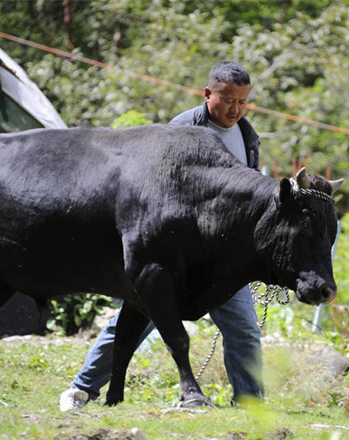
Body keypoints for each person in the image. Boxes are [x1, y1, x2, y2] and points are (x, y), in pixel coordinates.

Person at [59, 62, 264, 411]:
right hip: (174, 256)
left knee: (244, 328)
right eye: (228, 100)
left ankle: (250, 405)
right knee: (135, 321)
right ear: (207, 94)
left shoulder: (248, 136)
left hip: (220, 259)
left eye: (243, 102)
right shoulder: (179, 131)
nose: (235, 109)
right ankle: (80, 389)